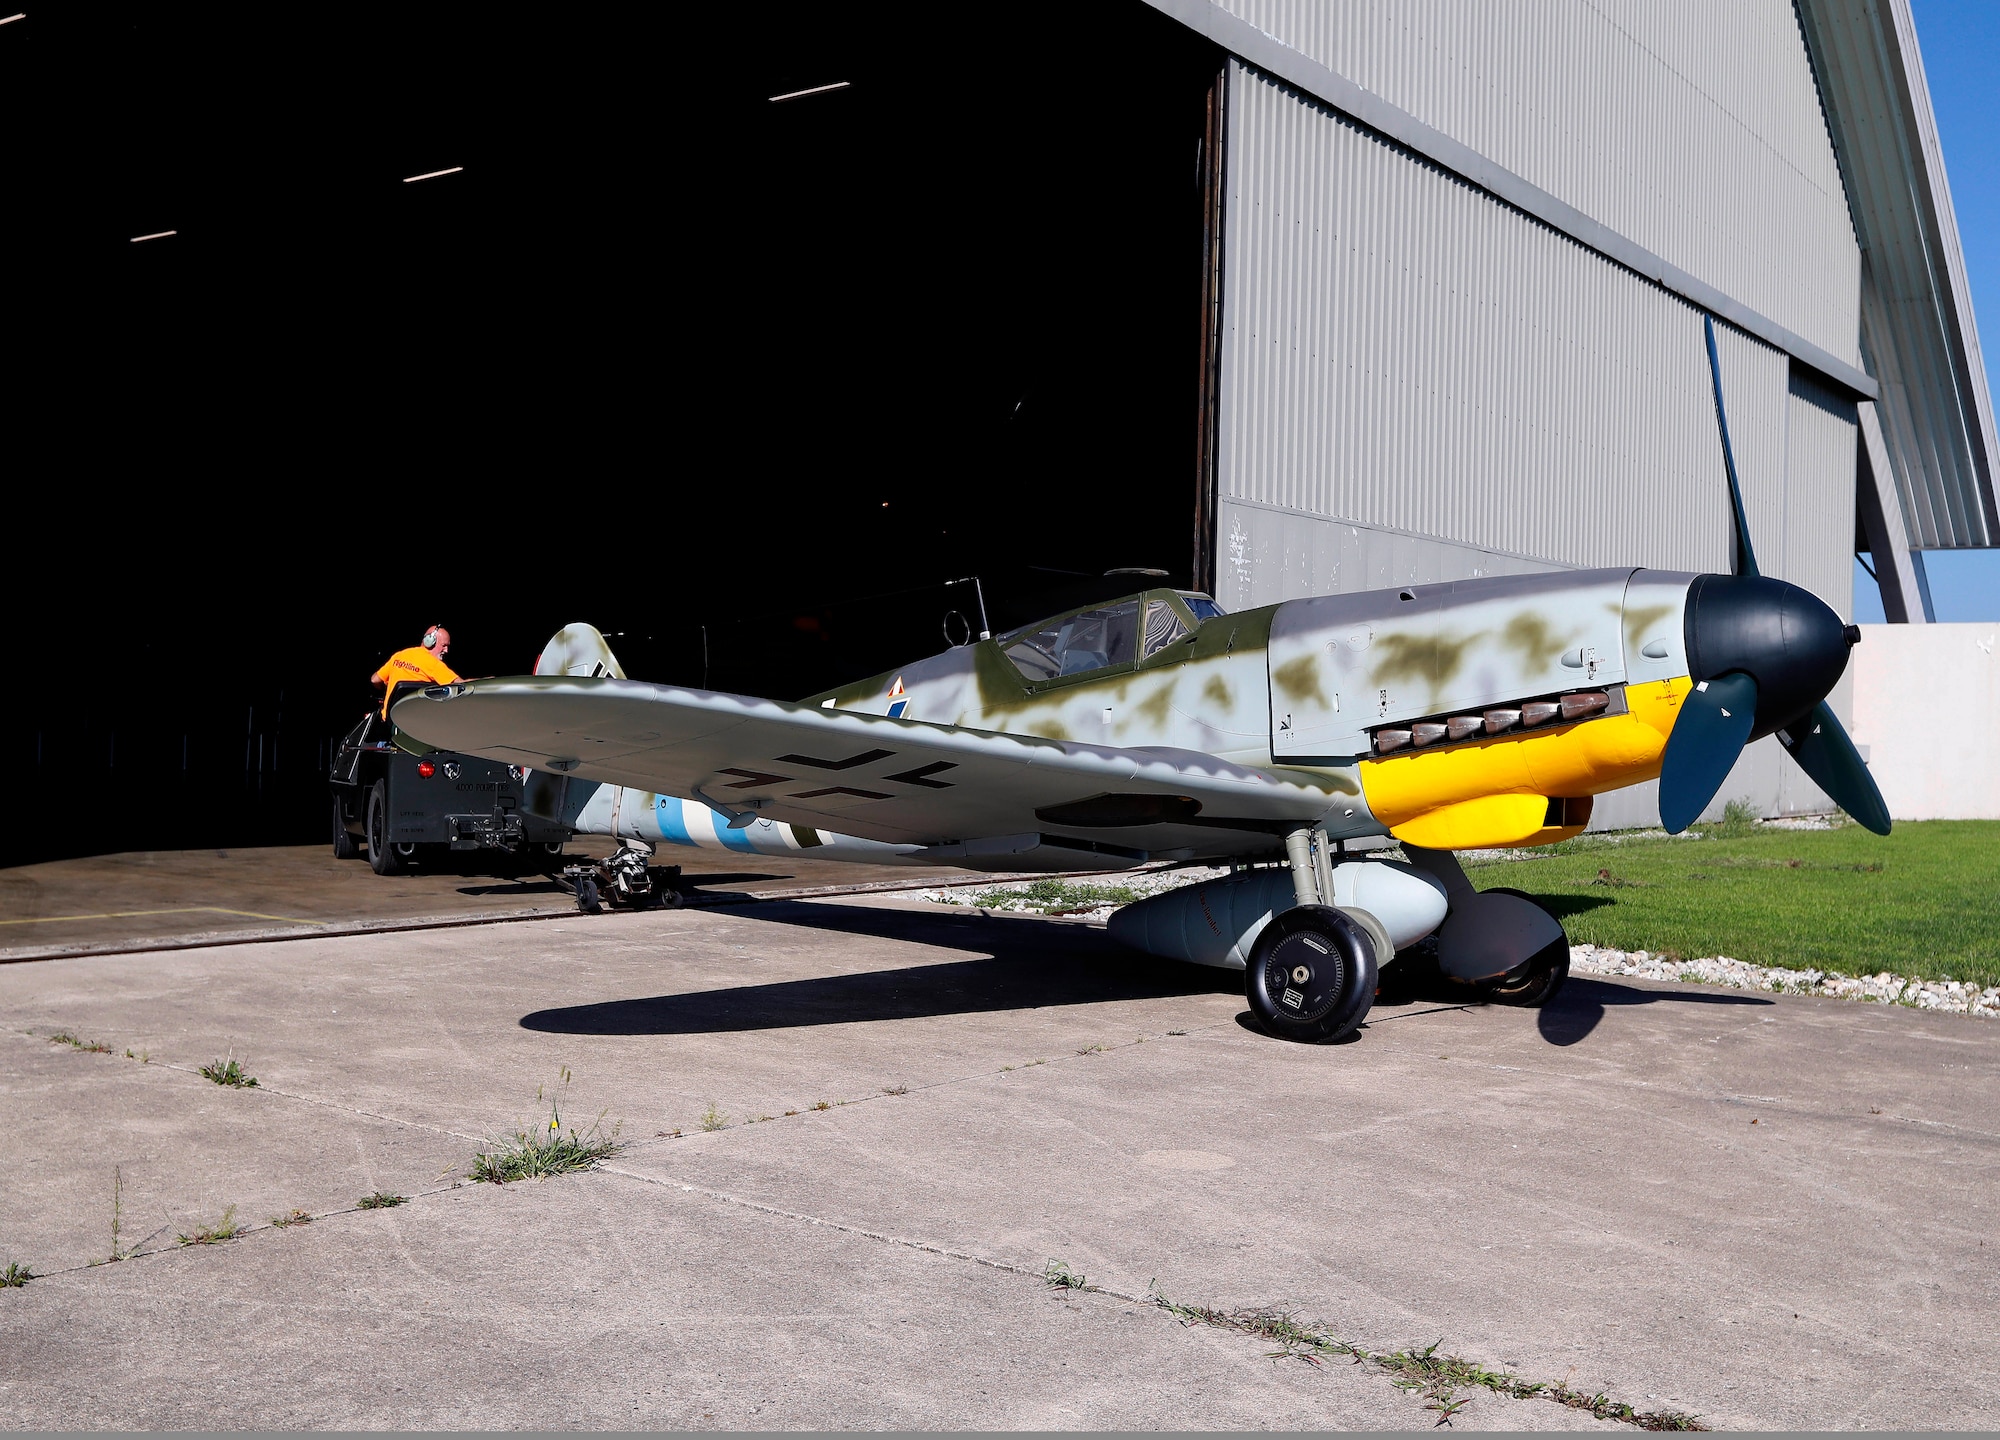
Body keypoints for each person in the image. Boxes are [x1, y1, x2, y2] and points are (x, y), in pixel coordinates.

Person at [371, 625, 461, 717]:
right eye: (444, 645)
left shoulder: (399, 656)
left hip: (390, 722)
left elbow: (375, 680)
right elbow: (462, 685)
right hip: (416, 724)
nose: (446, 650)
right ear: (430, 641)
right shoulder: (434, 664)